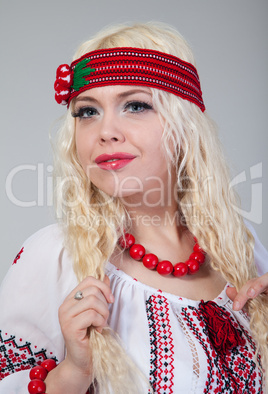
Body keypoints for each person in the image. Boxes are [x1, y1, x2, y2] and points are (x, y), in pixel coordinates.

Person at [0, 22, 267, 394]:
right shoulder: (56, 256)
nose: (106, 130)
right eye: (87, 112)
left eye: (136, 105)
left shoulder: (241, 246)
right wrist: (73, 372)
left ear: (185, 125)